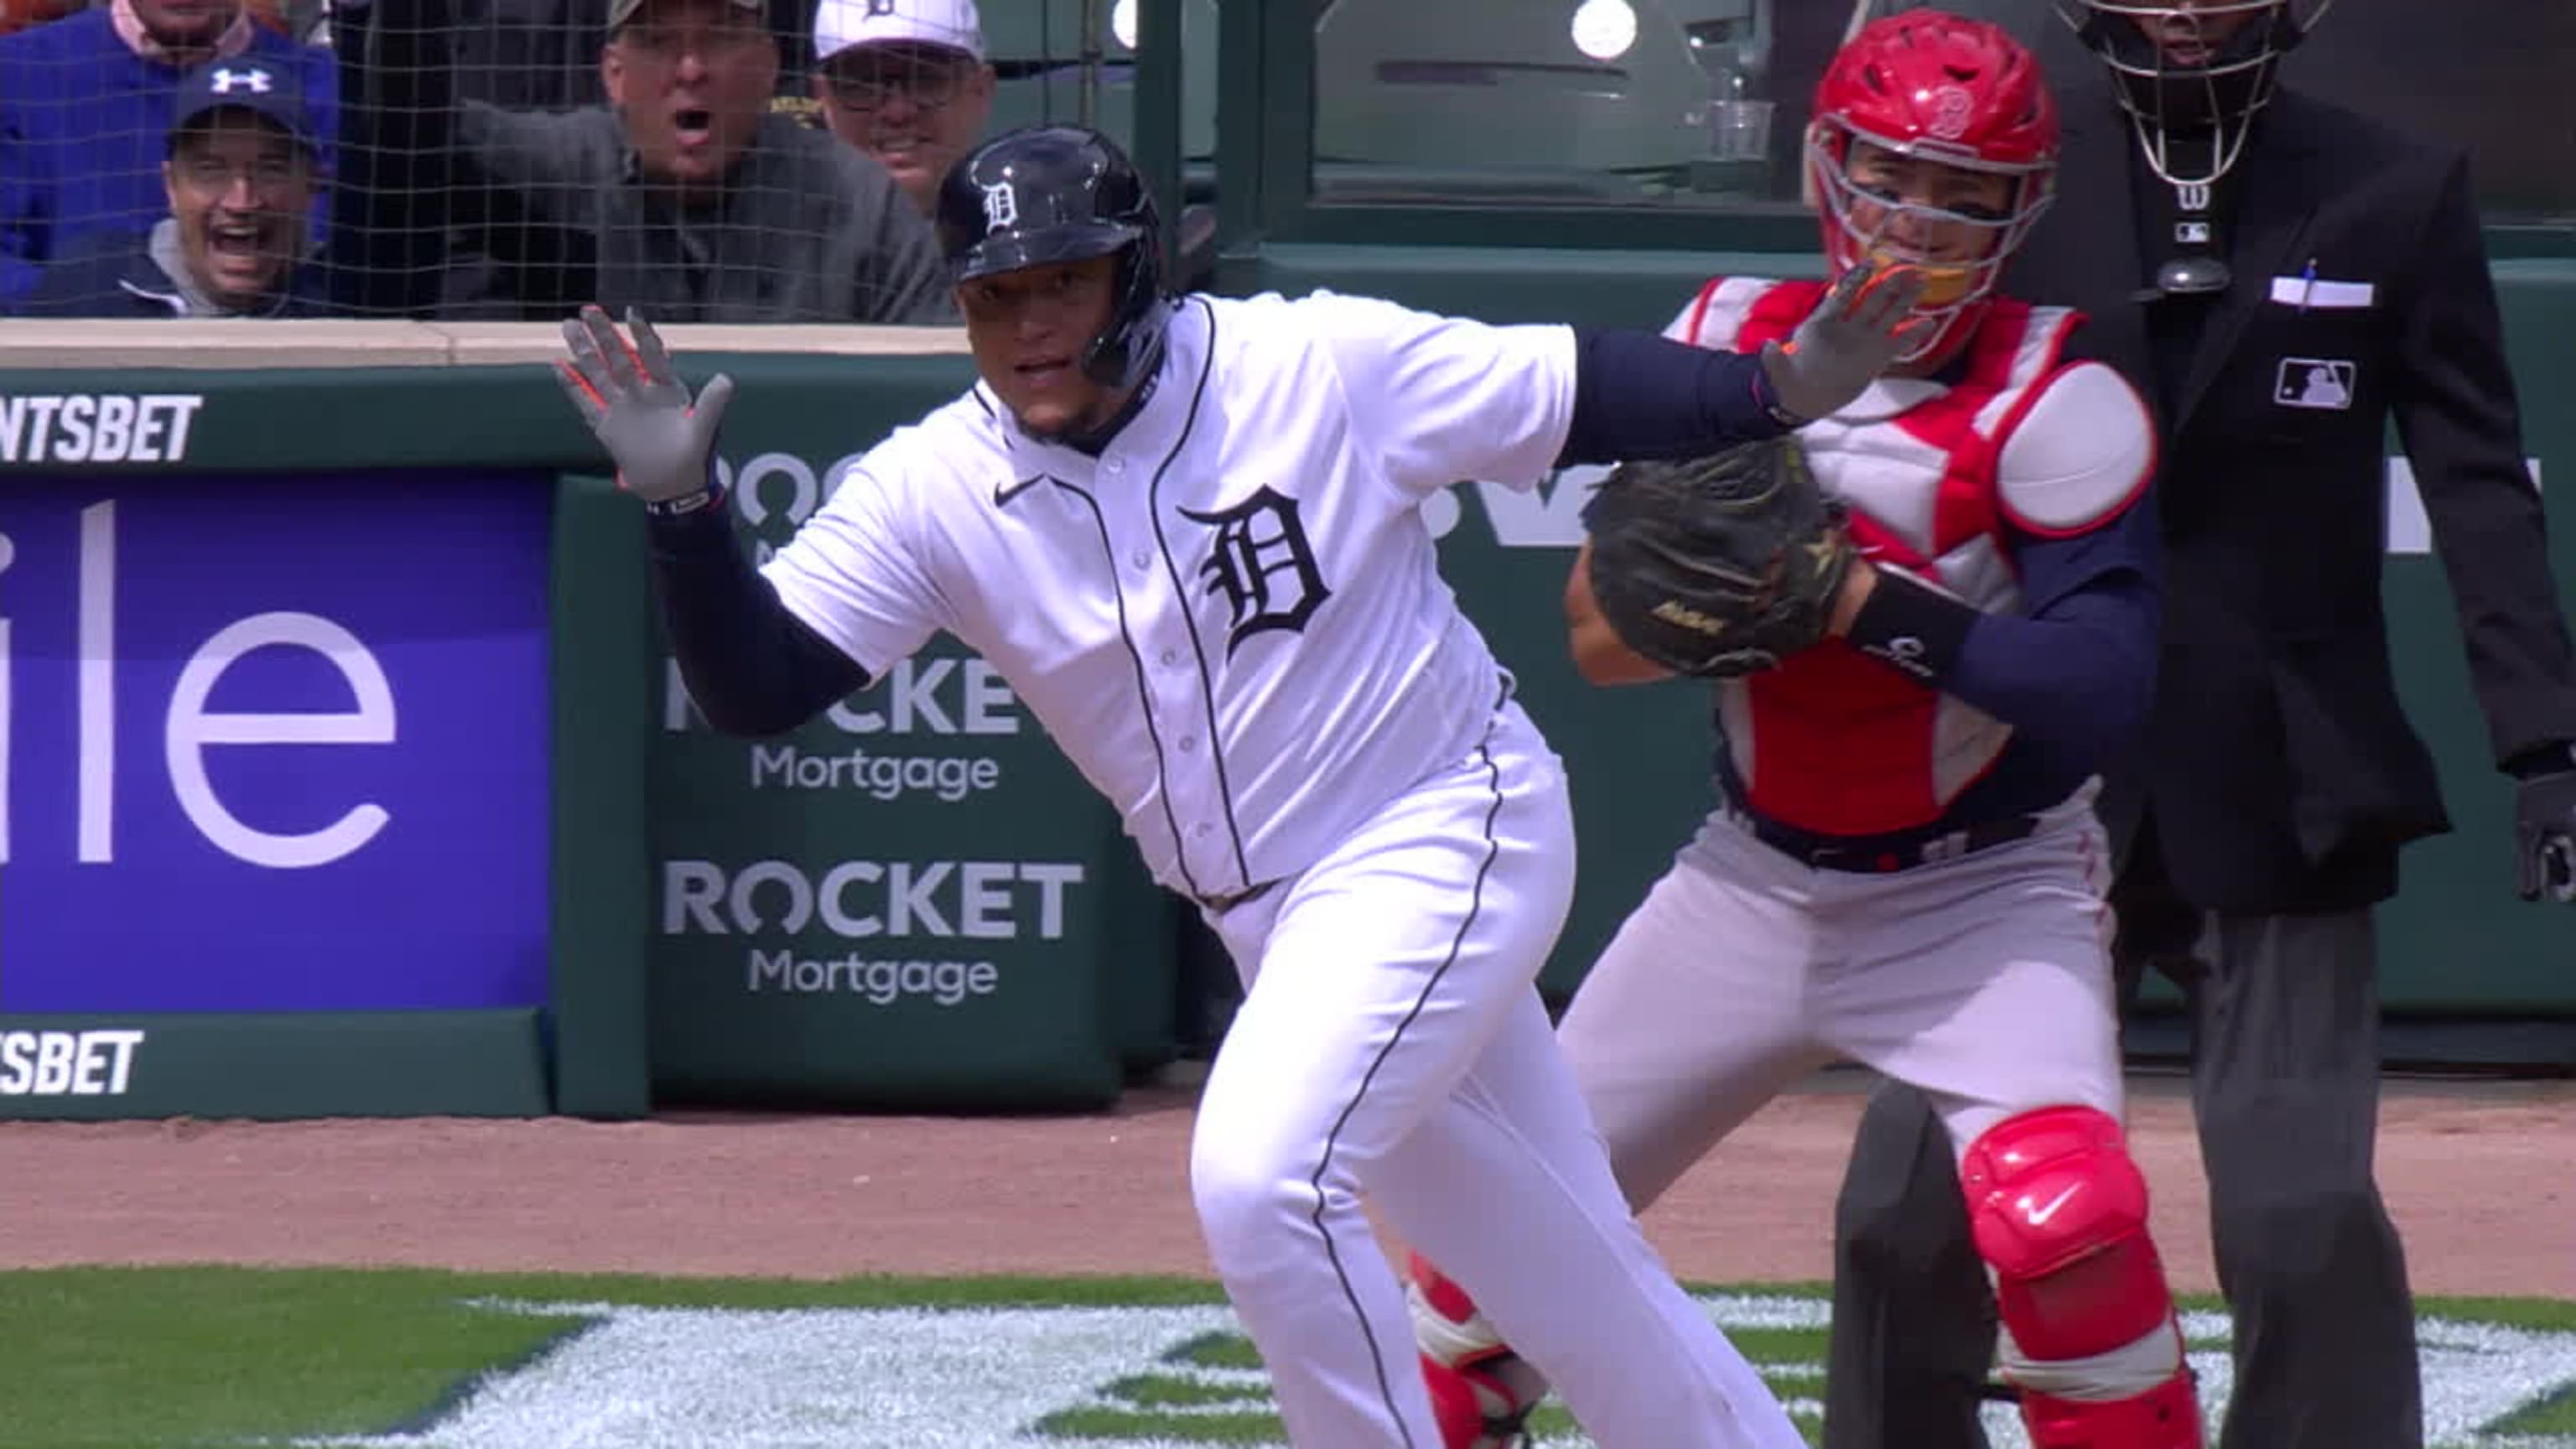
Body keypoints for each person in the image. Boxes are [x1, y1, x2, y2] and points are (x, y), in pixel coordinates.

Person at [553, 121, 1929, 1448]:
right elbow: (759, 684)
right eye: (996, 294)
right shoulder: (936, 485)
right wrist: (685, 515)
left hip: (1442, 825)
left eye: (1063, 283)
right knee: (1566, 1270)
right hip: (1278, 923)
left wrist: (1776, 391)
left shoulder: (1310, 363)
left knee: (1259, 1176)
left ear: (1136, 277)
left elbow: (1573, 389)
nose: (1029, 324)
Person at [1402, 12, 2206, 1449]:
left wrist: (1856, 604)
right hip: (1753, 883)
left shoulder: (2053, 394)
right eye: (1895, 179)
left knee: (2065, 1224)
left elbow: (2100, 692)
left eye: (1965, 196)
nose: (1921, 226)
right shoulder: (1728, 348)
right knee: (1477, 1280)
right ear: (1825, 169)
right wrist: (1724, 591)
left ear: (2019, 211)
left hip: (1984, 885)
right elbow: (1597, 643)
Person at [1820, 3, 2576, 1448]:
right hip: (2022, 771)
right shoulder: (2000, 184)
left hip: (2284, 768)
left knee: (2299, 1213)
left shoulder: (2390, 188)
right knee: (1908, 1211)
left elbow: (2481, 484)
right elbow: (1876, 439)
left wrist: (2543, 745)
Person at [345, 0, 950, 321]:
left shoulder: (857, 199)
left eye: (718, 37)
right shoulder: (566, 161)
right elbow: (410, 127)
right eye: (658, 42)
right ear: (615, 74)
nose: (691, 69)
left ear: (768, 65)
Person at [0, 0, 336, 309]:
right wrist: (99, 308)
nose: (241, 201)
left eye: (270, 167)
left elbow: (339, 265)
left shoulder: (329, 86)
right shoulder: (15, 72)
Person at [809, 0, 993, 216]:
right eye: (865, 83)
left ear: (980, 90)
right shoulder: (774, 241)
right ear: (823, 98)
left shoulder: (1036, 237)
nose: (897, 113)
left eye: (924, 80)